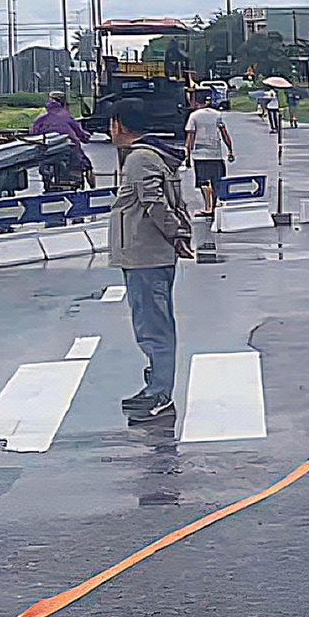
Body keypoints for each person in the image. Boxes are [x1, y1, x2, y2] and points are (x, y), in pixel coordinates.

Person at [109, 100, 193, 424]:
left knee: (153, 327)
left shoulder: (139, 159)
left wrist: (176, 234)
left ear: (119, 125)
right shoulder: (151, 155)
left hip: (145, 255)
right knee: (154, 324)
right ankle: (156, 387)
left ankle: (159, 393)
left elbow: (154, 202)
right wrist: (178, 234)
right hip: (147, 254)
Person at [184, 91, 236, 216]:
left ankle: (208, 208)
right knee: (215, 181)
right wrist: (230, 150)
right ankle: (213, 206)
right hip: (216, 154)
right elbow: (224, 133)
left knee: (204, 182)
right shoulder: (217, 115)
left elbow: (190, 137)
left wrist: (188, 155)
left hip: (200, 155)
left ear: (196, 102)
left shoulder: (194, 116)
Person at [29, 92, 92, 181]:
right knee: (84, 163)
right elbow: (80, 132)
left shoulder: (40, 119)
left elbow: (33, 133)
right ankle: (89, 182)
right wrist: (85, 137)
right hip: (70, 153)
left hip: (46, 152)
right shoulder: (67, 117)